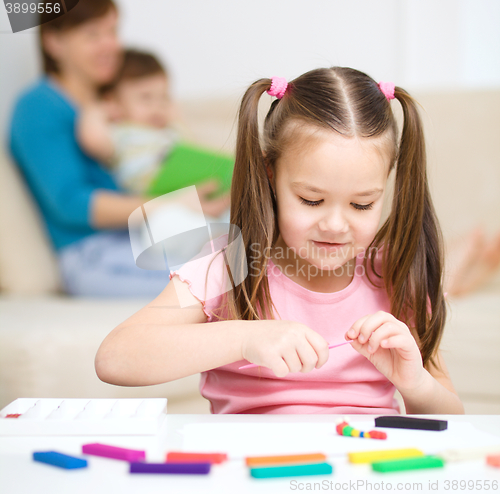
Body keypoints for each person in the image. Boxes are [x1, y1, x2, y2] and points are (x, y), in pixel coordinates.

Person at [95, 67, 464, 415]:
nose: (335, 224)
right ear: (270, 175)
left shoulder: (395, 274)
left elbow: (452, 415)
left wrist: (416, 383)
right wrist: (244, 338)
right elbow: (114, 357)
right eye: (311, 200)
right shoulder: (231, 264)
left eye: (362, 204)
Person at [7, 0, 229, 297]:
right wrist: (171, 203)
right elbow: (71, 203)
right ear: (54, 42)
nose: (110, 44)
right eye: (93, 34)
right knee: (217, 285)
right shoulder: (38, 106)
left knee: (240, 263)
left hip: (140, 238)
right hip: (92, 254)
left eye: (113, 31)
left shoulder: (117, 103)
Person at [77, 48, 234, 198]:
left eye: (164, 97)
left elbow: (194, 153)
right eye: (146, 97)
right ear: (113, 101)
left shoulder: (169, 131)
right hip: (149, 206)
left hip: (187, 196)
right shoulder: (121, 132)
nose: (157, 107)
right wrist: (98, 110)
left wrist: (176, 119)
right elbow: (93, 140)